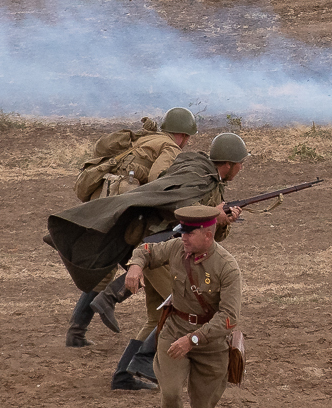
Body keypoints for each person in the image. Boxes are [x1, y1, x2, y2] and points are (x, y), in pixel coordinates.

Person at [103, 132, 249, 389]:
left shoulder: (208, 182)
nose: (241, 168)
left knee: (153, 318)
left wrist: (222, 220)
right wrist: (214, 215)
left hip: (162, 250)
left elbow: (210, 236)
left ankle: (123, 375)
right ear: (228, 164)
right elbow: (186, 219)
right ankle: (143, 362)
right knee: (183, 308)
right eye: (240, 163)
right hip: (165, 252)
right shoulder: (199, 180)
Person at [121, 205, 241, 408]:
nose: (183, 237)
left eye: (189, 233)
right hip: (174, 330)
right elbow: (147, 250)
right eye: (182, 232)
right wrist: (136, 266)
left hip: (210, 343)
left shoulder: (226, 267)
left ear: (208, 235)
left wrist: (194, 340)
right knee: (171, 392)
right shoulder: (177, 248)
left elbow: (229, 317)